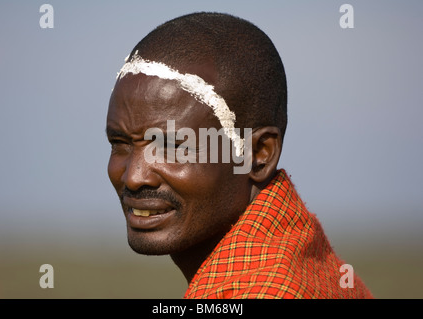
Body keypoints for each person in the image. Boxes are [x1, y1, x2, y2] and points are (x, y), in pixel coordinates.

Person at [106, 12, 373, 298]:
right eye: (120, 143)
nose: (134, 177)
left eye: (171, 146)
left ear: (258, 153)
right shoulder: (307, 263)